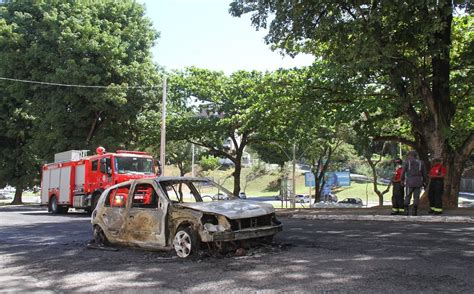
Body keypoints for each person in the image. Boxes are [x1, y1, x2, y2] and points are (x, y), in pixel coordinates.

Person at [401, 151, 427, 216]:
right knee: (416, 197)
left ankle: (406, 210)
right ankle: (414, 211)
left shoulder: (407, 162)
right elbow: (424, 173)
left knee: (407, 196)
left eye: (408, 156)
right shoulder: (421, 163)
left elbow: (403, 172)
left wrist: (402, 180)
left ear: (410, 155)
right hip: (418, 182)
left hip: (409, 181)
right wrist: (424, 181)